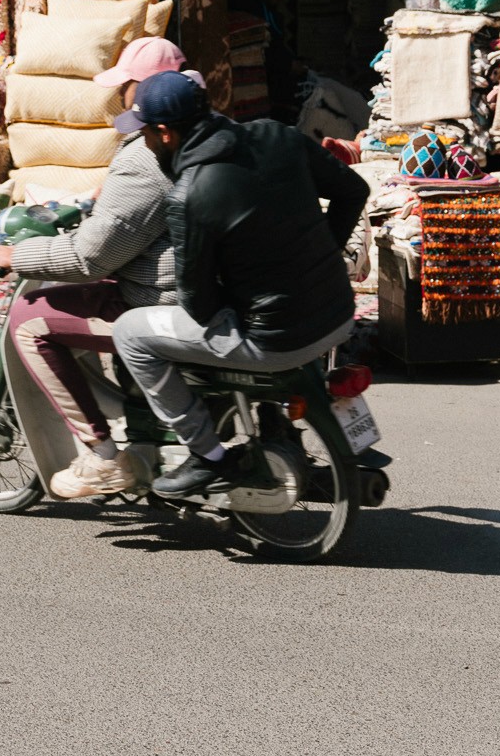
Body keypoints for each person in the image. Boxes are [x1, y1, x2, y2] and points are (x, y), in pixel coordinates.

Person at [111, 70, 369, 498]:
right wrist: (323, 252)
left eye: (146, 136)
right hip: (338, 316)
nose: (145, 145)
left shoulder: (189, 195)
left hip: (276, 340)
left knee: (131, 333)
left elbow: (198, 305)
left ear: (165, 133)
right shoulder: (278, 135)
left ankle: (206, 456)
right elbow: (353, 191)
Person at [0, 36, 194, 500]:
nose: (119, 93)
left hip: (162, 299)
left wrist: (16, 256)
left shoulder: (147, 156)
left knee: (30, 322)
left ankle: (102, 455)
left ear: (144, 91)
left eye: (125, 83)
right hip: (201, 285)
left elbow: (90, 258)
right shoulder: (197, 131)